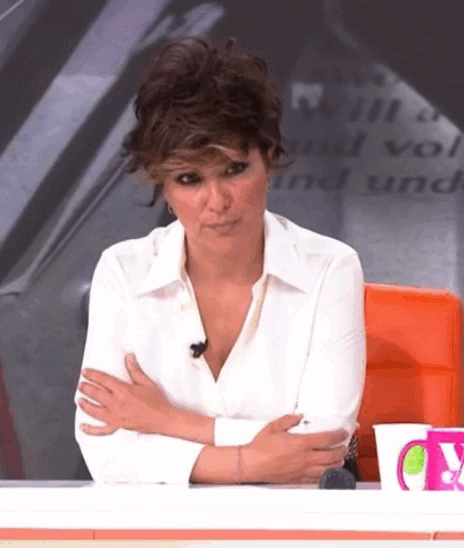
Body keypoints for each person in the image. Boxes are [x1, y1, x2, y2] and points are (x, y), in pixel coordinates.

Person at [74, 36, 366, 485]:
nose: (218, 201)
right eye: (190, 178)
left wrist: (167, 420)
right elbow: (106, 449)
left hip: (290, 522)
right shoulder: (123, 271)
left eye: (234, 169)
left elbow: (322, 447)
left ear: (269, 158)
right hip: (160, 523)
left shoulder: (330, 267)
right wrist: (250, 462)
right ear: (163, 187)